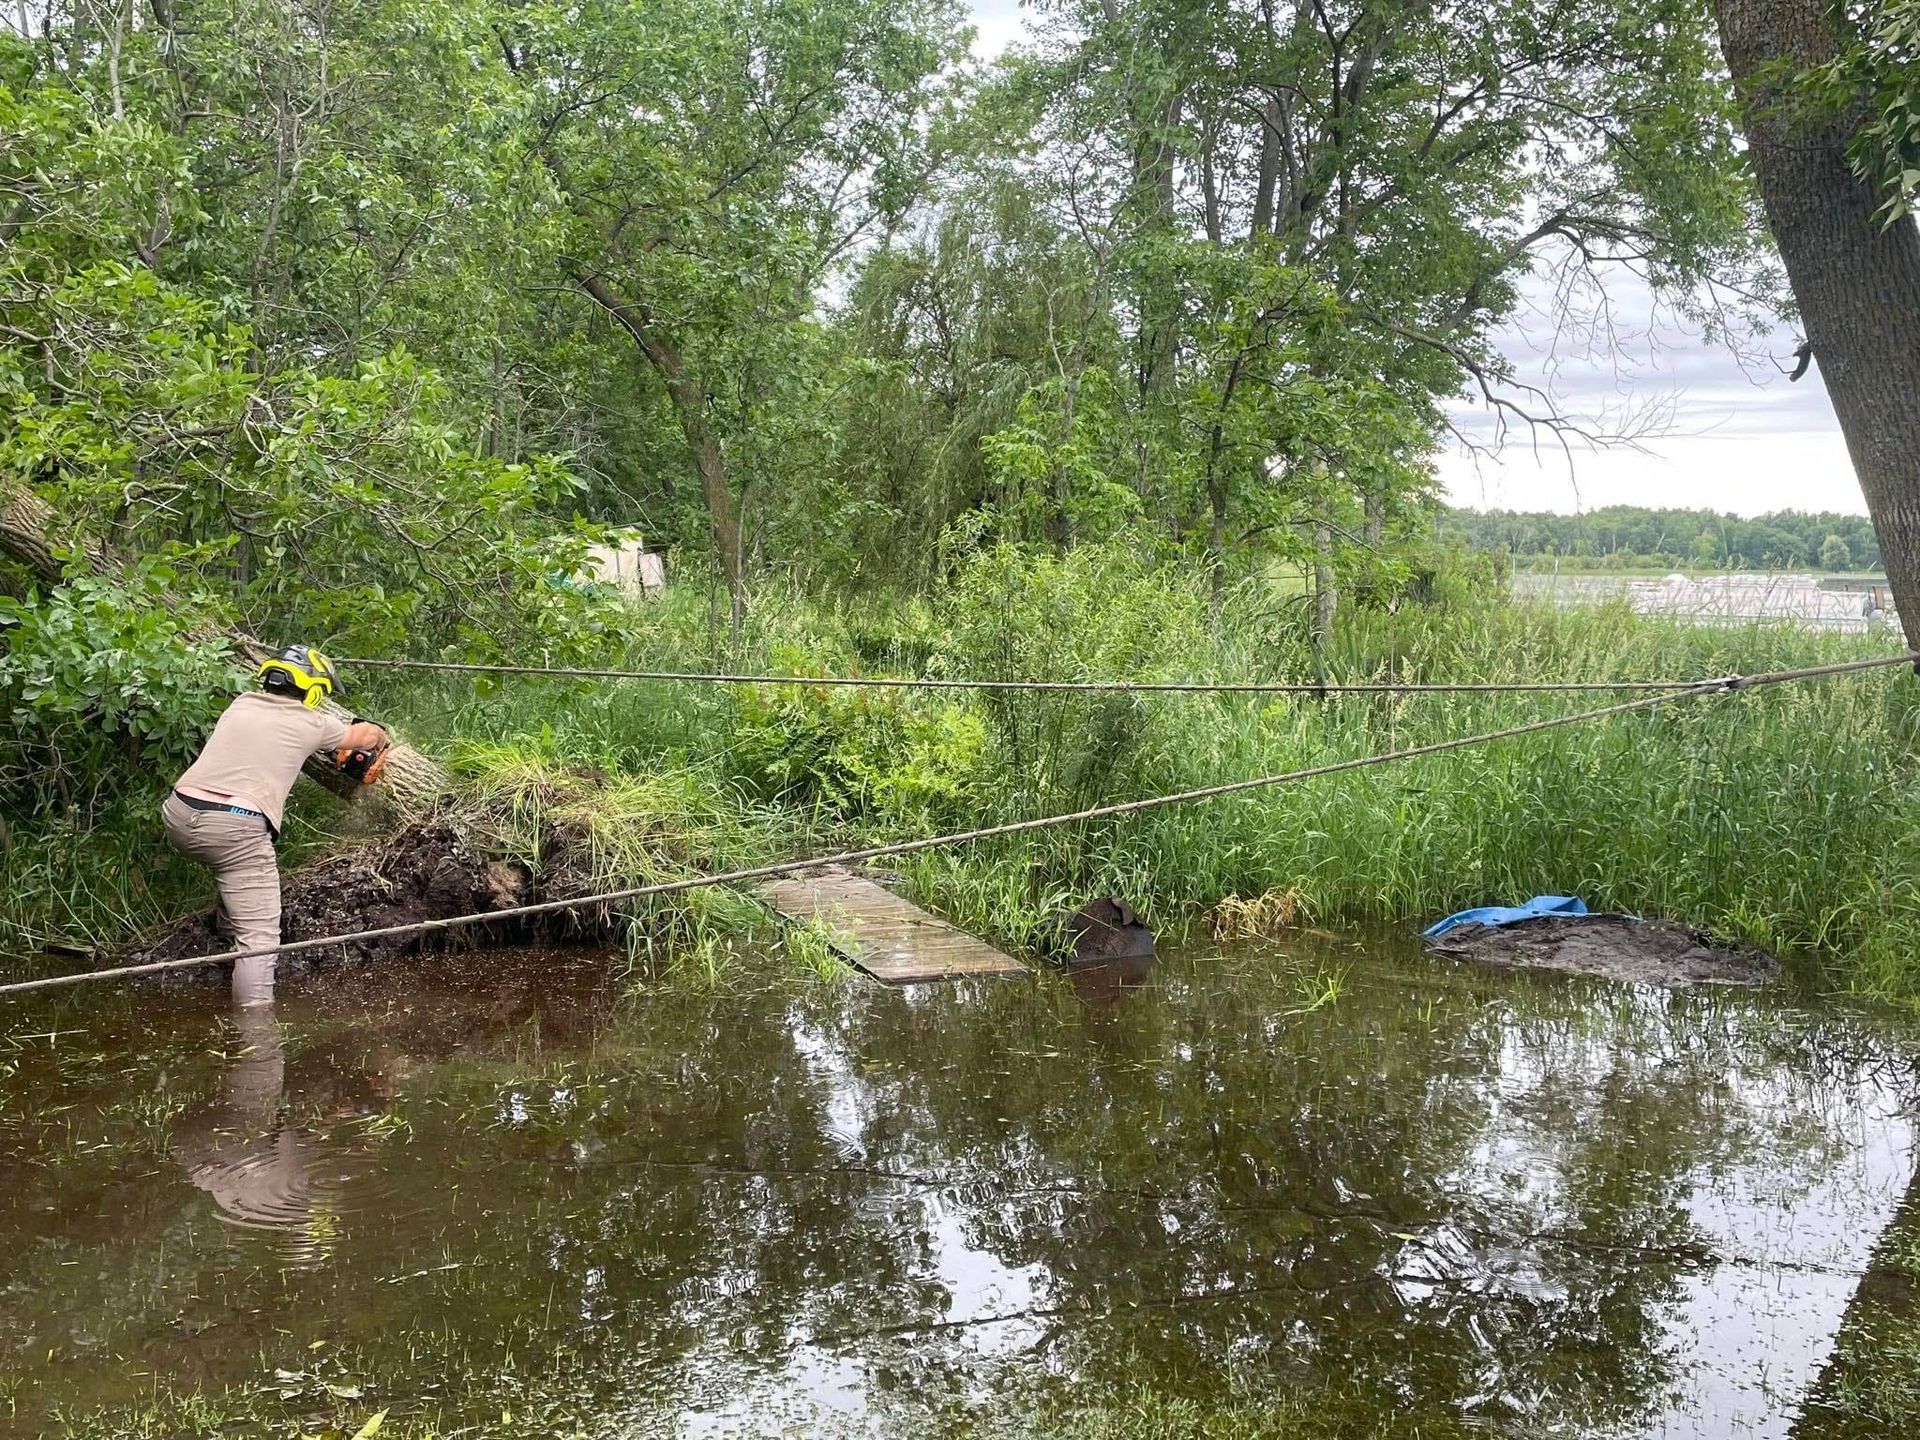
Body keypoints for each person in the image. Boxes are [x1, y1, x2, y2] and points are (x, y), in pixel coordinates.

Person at [163, 646, 389, 1006]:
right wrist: (379, 733)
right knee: (259, 943)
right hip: (235, 828)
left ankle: (225, 925)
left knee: (235, 865)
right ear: (313, 691)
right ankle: (256, 1040)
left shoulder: (241, 703)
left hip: (180, 813)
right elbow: (362, 738)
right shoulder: (311, 722)